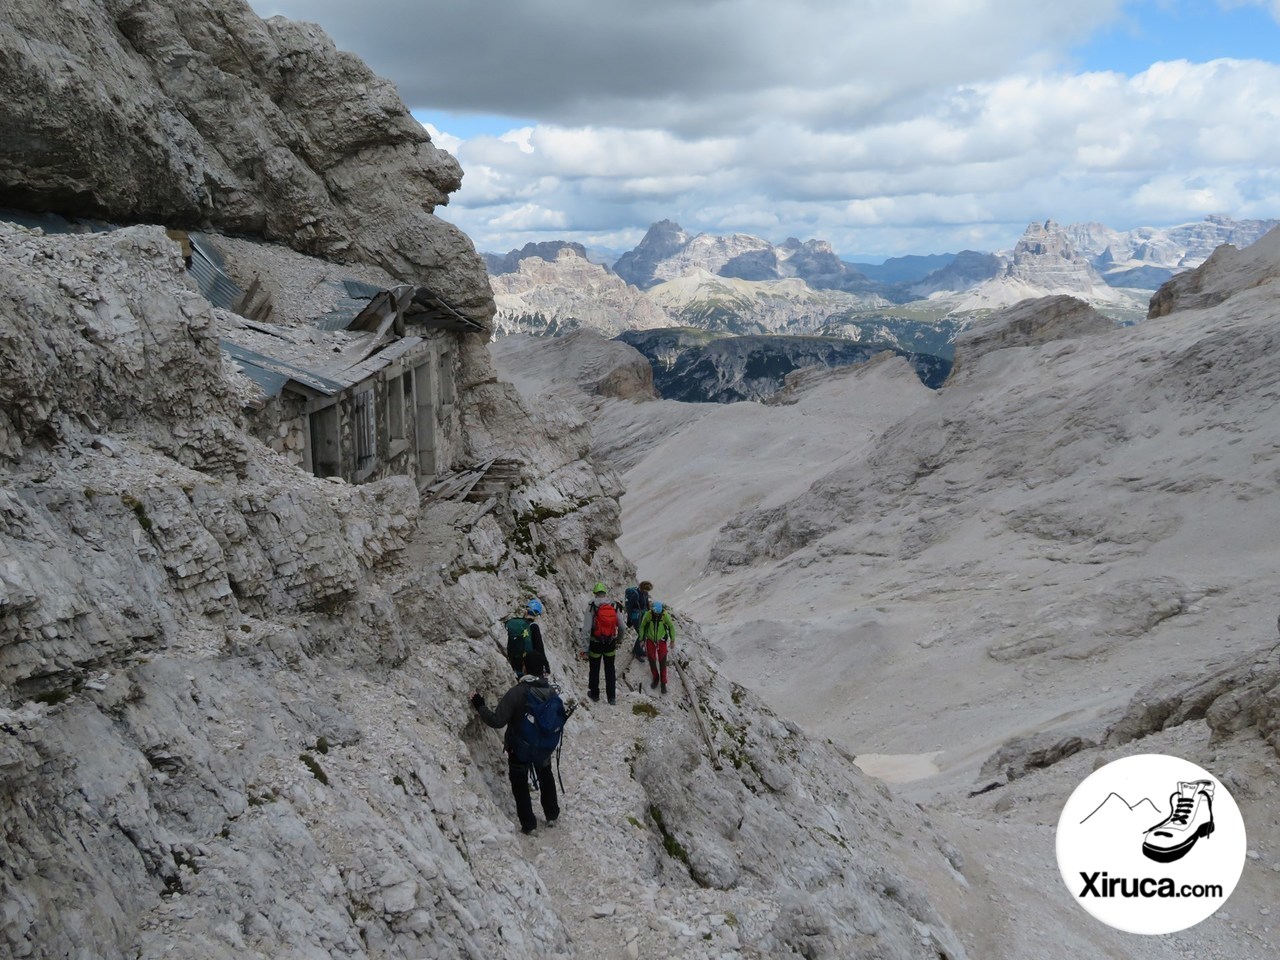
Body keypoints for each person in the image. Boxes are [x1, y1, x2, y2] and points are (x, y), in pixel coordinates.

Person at [469, 649, 561, 835]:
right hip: (543, 746)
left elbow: (497, 720)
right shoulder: (551, 691)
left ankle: (529, 825)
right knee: (546, 775)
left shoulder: (517, 693)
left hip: (519, 748)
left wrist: (479, 704)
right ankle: (552, 814)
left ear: (525, 668)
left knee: (519, 783)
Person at [580, 582, 622, 704]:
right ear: (605, 593)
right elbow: (622, 626)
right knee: (610, 669)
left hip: (595, 643)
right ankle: (612, 697)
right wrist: (618, 640)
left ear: (595, 593)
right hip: (610, 643)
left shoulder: (592, 606)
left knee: (594, 669)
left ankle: (594, 694)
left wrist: (585, 648)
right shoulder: (614, 605)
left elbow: (587, 629)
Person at [638, 601, 675, 694]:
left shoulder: (664, 615)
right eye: (655, 612)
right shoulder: (648, 615)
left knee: (662, 662)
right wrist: (641, 639)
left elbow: (671, 626)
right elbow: (642, 626)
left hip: (661, 640)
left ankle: (663, 683)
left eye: (658, 613)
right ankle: (656, 678)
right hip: (650, 640)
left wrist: (672, 640)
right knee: (652, 660)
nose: (656, 614)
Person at [625, 580, 652, 660]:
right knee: (641, 634)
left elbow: (646, 604)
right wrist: (629, 619)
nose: (647, 592)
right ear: (642, 588)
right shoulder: (635, 595)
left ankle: (637, 650)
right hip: (635, 616)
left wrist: (649, 613)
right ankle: (637, 653)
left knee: (643, 633)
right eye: (646, 590)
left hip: (642, 615)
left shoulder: (645, 593)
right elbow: (629, 607)